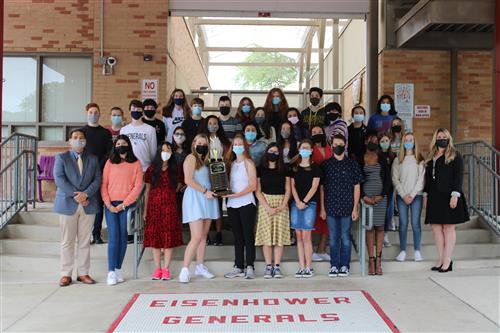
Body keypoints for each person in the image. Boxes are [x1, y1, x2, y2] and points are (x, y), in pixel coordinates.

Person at [53, 128, 102, 287]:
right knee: (67, 241)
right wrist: (77, 196)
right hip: (68, 204)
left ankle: (83, 273)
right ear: (70, 140)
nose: (78, 140)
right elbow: (59, 179)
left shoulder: (93, 159)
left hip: (88, 204)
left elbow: (97, 179)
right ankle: (65, 274)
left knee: (84, 242)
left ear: (85, 142)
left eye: (81, 138)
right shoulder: (62, 158)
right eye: (75, 137)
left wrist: (85, 194)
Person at [424, 128, 469, 273]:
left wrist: (455, 195)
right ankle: (441, 258)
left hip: (449, 195)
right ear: (435, 139)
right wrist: (425, 194)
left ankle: (448, 260)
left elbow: (458, 176)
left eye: (444, 136)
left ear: (448, 138)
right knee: (436, 229)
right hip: (434, 196)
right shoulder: (431, 156)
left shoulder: (455, 155)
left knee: (448, 228)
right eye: (439, 137)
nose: (441, 139)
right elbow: (428, 179)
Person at [101, 135, 143, 285]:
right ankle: (111, 271)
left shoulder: (136, 163)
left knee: (123, 237)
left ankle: (118, 268)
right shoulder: (110, 163)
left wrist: (124, 204)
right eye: (118, 143)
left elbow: (138, 187)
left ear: (129, 145)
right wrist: (108, 203)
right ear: (115, 146)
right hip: (111, 205)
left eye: (124, 143)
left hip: (126, 205)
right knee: (113, 236)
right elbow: (104, 184)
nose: (121, 145)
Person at [178, 134, 220, 283]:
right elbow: (188, 180)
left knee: (203, 236)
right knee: (196, 236)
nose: (202, 145)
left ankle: (200, 266)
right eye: (199, 142)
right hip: (196, 198)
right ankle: (185, 269)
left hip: (208, 199)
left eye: (205, 143)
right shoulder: (191, 158)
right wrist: (204, 191)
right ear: (194, 144)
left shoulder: (207, 161)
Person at [320, 134, 362, 278]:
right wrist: (322, 208)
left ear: (345, 145)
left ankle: (344, 265)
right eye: (335, 143)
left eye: (341, 143)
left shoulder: (352, 164)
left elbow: (357, 186)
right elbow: (322, 188)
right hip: (330, 206)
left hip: (347, 207)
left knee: (345, 237)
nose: (338, 146)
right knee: (333, 238)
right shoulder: (326, 165)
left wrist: (355, 207)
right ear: (331, 146)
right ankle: (334, 265)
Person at [143, 142, 183, 281]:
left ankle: (166, 269)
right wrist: (145, 210)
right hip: (154, 208)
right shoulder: (151, 169)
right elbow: (147, 190)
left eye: (169, 149)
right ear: (159, 151)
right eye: (163, 149)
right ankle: (157, 269)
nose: (166, 152)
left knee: (168, 239)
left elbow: (178, 187)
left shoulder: (176, 170)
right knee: (155, 240)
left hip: (169, 208)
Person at [223, 135, 258, 279]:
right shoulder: (230, 164)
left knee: (247, 235)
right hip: (232, 205)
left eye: (239, 144)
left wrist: (238, 195)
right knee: (237, 237)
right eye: (235, 144)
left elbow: (253, 185)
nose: (237, 146)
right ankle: (238, 266)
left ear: (244, 146)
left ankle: (250, 265)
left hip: (246, 203)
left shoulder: (249, 163)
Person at [255, 143, 291, 279]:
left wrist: (283, 204)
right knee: (267, 237)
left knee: (279, 237)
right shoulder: (260, 169)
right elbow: (257, 191)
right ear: (266, 152)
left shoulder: (284, 169)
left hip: (281, 202)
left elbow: (288, 189)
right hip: (265, 204)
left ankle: (277, 267)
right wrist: (267, 207)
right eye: (271, 151)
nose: (273, 154)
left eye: (276, 152)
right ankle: (268, 266)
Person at [360, 132, 391, 276]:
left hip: (380, 198)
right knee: (369, 228)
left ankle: (379, 260)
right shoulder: (361, 158)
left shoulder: (382, 158)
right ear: (366, 141)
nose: (373, 141)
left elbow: (388, 180)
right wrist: (363, 196)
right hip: (366, 199)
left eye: (375, 140)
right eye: (370, 139)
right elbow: (357, 180)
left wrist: (382, 195)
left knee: (380, 227)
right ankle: (370, 260)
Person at [81, 103, 112, 245]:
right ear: (87, 113)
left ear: (99, 114)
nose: (93, 114)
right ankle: (85, 235)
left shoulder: (105, 133)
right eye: (91, 112)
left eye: (96, 112)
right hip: (85, 173)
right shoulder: (81, 132)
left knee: (99, 204)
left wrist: (98, 166)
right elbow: (79, 152)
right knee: (85, 204)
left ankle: (97, 233)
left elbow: (109, 152)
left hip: (101, 172)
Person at [290, 139, 321, 278]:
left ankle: (309, 267)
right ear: (299, 149)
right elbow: (292, 186)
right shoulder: (294, 167)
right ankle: (301, 267)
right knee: (299, 236)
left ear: (311, 150)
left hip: (310, 204)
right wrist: (297, 201)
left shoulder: (316, 167)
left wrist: (304, 201)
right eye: (303, 147)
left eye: (307, 147)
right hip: (296, 204)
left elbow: (315, 187)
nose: (305, 150)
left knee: (307, 236)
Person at [392, 132, 425, 262]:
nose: (408, 142)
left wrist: (411, 195)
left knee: (416, 223)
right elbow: (395, 179)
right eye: (406, 140)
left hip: (416, 196)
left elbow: (421, 180)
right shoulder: (397, 160)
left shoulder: (419, 159)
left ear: (414, 142)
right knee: (403, 223)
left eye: (411, 139)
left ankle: (417, 251)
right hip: (402, 196)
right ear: (403, 142)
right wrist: (403, 194)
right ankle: (403, 250)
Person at [198, 115, 230, 245]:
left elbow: (227, 157)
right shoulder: (203, 139)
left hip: (219, 173)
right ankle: (205, 234)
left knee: (217, 204)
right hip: (206, 172)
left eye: (215, 123)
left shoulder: (222, 140)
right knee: (206, 203)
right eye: (210, 123)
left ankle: (218, 232)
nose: (212, 125)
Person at [310, 125, 332, 262]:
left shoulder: (330, 148)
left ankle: (322, 249)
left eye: (319, 132)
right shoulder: (309, 150)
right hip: (314, 188)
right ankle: (310, 250)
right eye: (314, 132)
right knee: (313, 219)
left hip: (330, 187)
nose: (317, 134)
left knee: (327, 220)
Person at [120, 100, 157, 172]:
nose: (136, 111)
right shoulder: (123, 130)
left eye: (138, 109)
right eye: (133, 109)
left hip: (145, 168)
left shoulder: (150, 129)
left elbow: (153, 151)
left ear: (142, 112)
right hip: (128, 167)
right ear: (130, 111)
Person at [379, 132, 398, 245]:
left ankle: (385, 234)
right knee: (380, 212)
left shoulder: (393, 156)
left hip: (390, 188)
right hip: (379, 187)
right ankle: (379, 233)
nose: (385, 143)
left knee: (388, 211)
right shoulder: (377, 155)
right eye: (382, 141)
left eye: (386, 141)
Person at [171, 126, 189, 216]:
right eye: (177, 134)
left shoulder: (189, 151)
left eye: (182, 134)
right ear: (173, 136)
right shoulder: (169, 150)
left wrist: (186, 183)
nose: (179, 136)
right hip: (173, 182)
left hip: (186, 183)